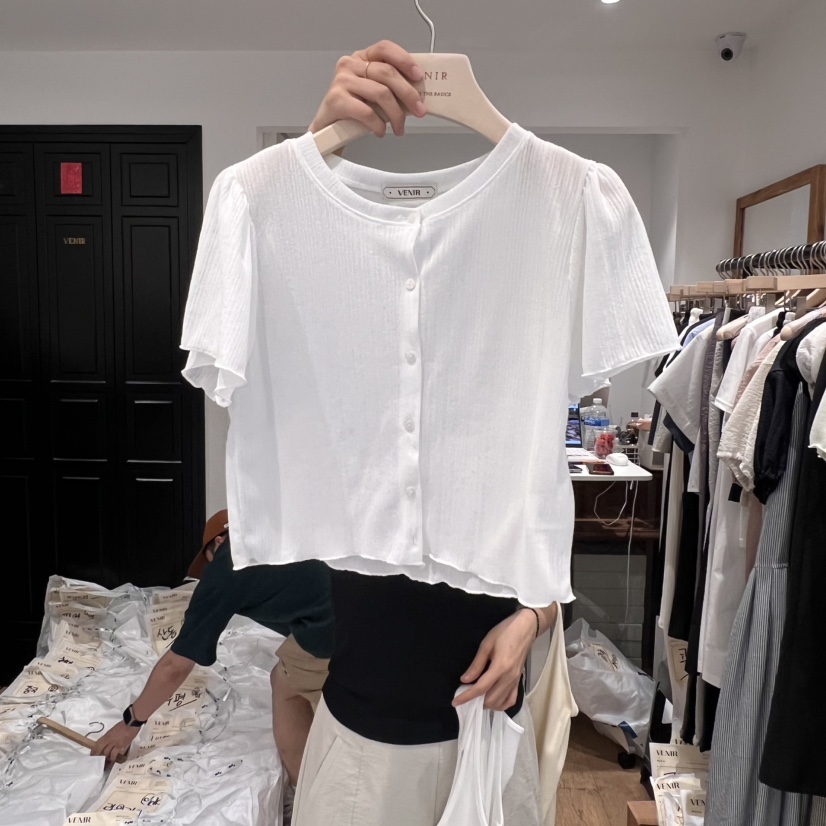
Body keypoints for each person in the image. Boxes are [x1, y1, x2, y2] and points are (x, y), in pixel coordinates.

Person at [288, 40, 560, 826]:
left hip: (487, 735)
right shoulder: (334, 368)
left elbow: (547, 544)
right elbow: (277, 265)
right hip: (366, 743)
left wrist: (531, 619)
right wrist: (314, 145)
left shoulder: (513, 370)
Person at [91, 509, 334, 791]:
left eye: (208, 561)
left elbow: (175, 666)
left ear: (218, 541)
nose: (209, 570)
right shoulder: (277, 533)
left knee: (293, 693)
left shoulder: (230, 564)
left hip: (335, 626)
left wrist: (130, 724)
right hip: (357, 602)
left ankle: (308, 793)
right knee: (285, 677)